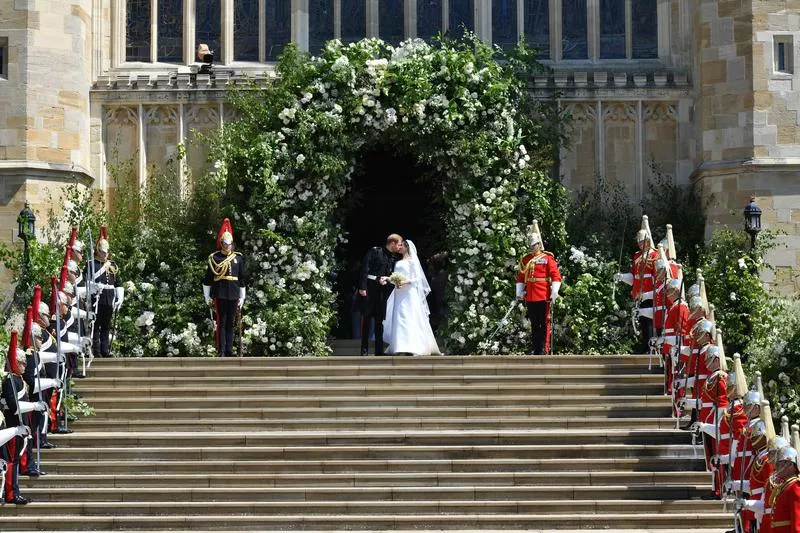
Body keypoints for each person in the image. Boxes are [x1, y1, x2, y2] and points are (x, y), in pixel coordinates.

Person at [382, 239, 441, 356]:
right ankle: (400, 346)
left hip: (409, 293)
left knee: (410, 316)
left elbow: (417, 278)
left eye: (401, 246)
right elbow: (395, 276)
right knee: (399, 317)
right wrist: (390, 279)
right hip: (399, 292)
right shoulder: (398, 262)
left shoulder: (413, 261)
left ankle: (412, 345)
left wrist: (404, 282)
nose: (399, 247)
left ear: (407, 247)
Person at [516, 220, 562, 355]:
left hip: (543, 294)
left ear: (539, 244)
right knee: (534, 324)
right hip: (530, 296)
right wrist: (519, 292)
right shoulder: (526, 259)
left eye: (534, 245)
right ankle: (536, 349)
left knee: (543, 323)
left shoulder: (547, 258)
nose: (532, 247)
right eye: (530, 245)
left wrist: (555, 290)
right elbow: (521, 277)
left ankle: (544, 349)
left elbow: (555, 276)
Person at [614, 215, 659, 353]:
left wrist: (650, 293)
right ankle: (645, 345)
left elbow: (657, 276)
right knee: (643, 321)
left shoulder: (655, 255)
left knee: (650, 320)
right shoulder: (637, 256)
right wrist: (622, 277)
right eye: (639, 242)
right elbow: (634, 277)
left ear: (648, 241)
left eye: (642, 242)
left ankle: (651, 347)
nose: (640, 245)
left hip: (650, 293)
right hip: (639, 293)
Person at [203, 218, 247, 357]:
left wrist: (242, 297)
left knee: (231, 322)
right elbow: (208, 279)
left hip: (234, 293)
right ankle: (221, 350)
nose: (228, 246)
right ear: (221, 244)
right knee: (221, 322)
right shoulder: (215, 258)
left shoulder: (238, 258)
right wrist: (207, 296)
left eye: (230, 244)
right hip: (220, 292)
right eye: (225, 244)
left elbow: (241, 279)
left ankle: (229, 350)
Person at [358, 234, 401, 356]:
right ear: (392, 243)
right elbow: (365, 269)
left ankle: (378, 350)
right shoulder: (375, 251)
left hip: (382, 292)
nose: (399, 247)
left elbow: (391, 275)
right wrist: (362, 287)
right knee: (366, 320)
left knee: (379, 321)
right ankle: (364, 350)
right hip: (370, 289)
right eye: (398, 244)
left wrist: (387, 281)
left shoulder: (393, 258)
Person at [87, 226, 124, 358]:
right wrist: (95, 287)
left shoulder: (113, 265)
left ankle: (105, 350)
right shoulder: (92, 264)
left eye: (106, 252)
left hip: (109, 298)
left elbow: (118, 283)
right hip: (97, 298)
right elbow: (86, 282)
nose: (105, 254)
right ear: (98, 251)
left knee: (106, 325)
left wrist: (120, 297)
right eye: (103, 252)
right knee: (96, 324)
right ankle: (96, 350)